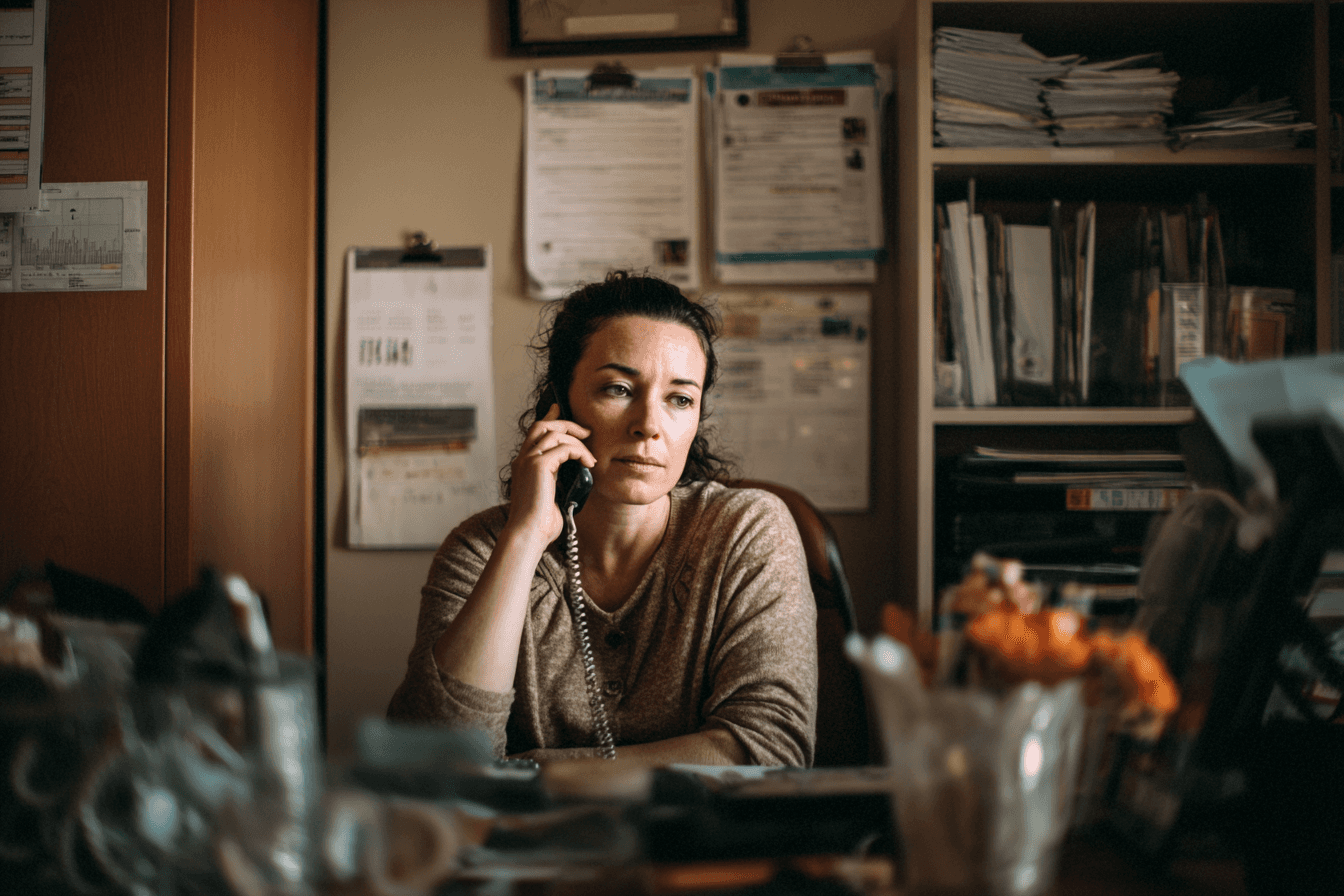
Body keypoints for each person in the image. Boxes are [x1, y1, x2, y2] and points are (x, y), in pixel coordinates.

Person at [387, 271, 817, 766]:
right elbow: (434, 760)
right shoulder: (480, 548)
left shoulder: (747, 530)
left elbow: (771, 750)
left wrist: (536, 769)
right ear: (562, 403)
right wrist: (524, 539)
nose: (649, 426)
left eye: (680, 399)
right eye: (617, 389)